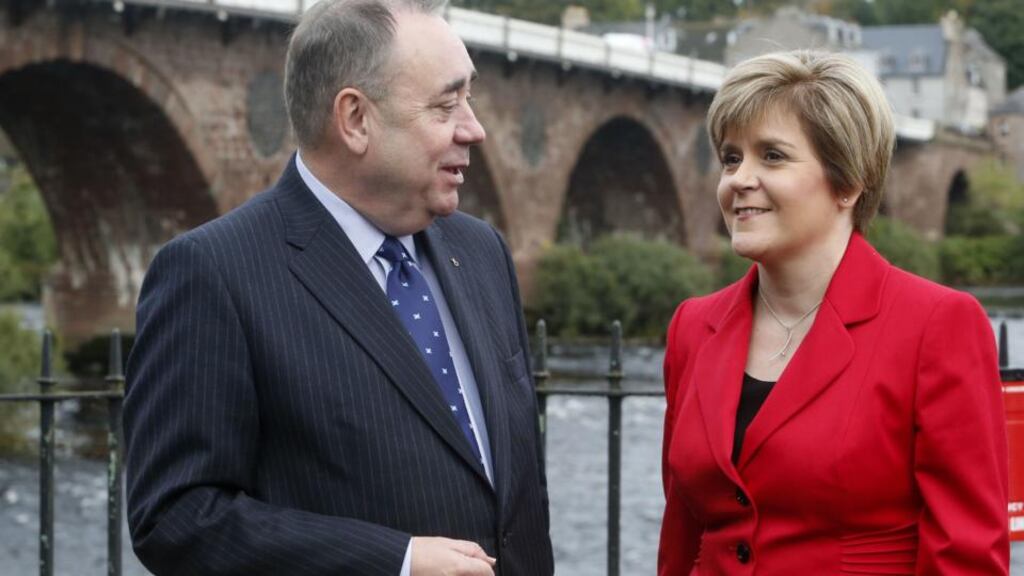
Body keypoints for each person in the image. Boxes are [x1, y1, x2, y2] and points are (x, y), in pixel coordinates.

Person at [123, 1, 554, 574]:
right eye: (446, 104)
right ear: (354, 119)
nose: (474, 128)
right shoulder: (213, 274)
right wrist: (392, 561)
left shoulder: (481, 251)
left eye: (468, 99)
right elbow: (175, 516)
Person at [659, 50, 1008, 574]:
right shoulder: (693, 326)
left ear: (847, 183)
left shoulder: (936, 325)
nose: (739, 179)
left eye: (771, 156)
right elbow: (683, 535)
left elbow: (967, 557)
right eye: (732, 159)